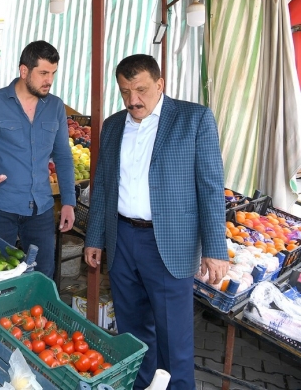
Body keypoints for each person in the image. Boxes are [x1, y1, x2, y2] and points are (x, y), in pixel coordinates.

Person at [84, 54, 229, 390]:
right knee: (133, 333)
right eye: (125, 92)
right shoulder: (114, 125)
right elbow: (104, 183)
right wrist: (94, 237)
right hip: (122, 239)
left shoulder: (193, 119)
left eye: (141, 90)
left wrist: (215, 248)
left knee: (172, 338)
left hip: (168, 243)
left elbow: (210, 186)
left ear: (160, 84)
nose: (133, 100)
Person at [0, 40, 76, 278]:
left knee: (42, 274)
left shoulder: (55, 106)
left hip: (42, 207)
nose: (49, 80)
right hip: (0, 206)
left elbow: (63, 156)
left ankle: (37, 314)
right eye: (43, 73)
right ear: (24, 71)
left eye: (53, 73)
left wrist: (68, 201)